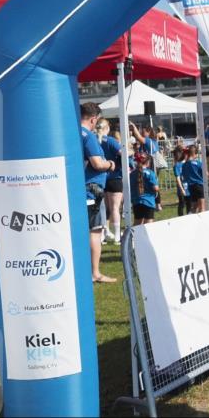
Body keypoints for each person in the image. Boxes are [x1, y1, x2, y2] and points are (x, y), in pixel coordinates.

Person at [81, 103, 117, 283]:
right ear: (94, 119)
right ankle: (95, 273)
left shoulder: (71, 132)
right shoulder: (88, 136)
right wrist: (110, 164)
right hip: (91, 190)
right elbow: (97, 163)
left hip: (80, 188)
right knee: (94, 231)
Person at [97, 119, 124, 243]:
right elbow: (122, 153)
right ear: (107, 128)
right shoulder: (111, 141)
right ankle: (118, 235)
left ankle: (104, 233)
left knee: (105, 209)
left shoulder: (95, 140)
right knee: (115, 208)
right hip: (114, 177)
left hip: (102, 178)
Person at [130, 151, 160, 225]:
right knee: (148, 225)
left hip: (136, 201)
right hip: (148, 201)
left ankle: (134, 236)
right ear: (148, 162)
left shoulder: (132, 173)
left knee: (137, 224)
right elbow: (155, 188)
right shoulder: (150, 173)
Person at [180, 144, 206, 214]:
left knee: (194, 206)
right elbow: (206, 174)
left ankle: (190, 217)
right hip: (199, 185)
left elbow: (184, 176)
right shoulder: (198, 163)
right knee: (202, 207)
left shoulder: (184, 165)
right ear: (195, 153)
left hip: (191, 187)